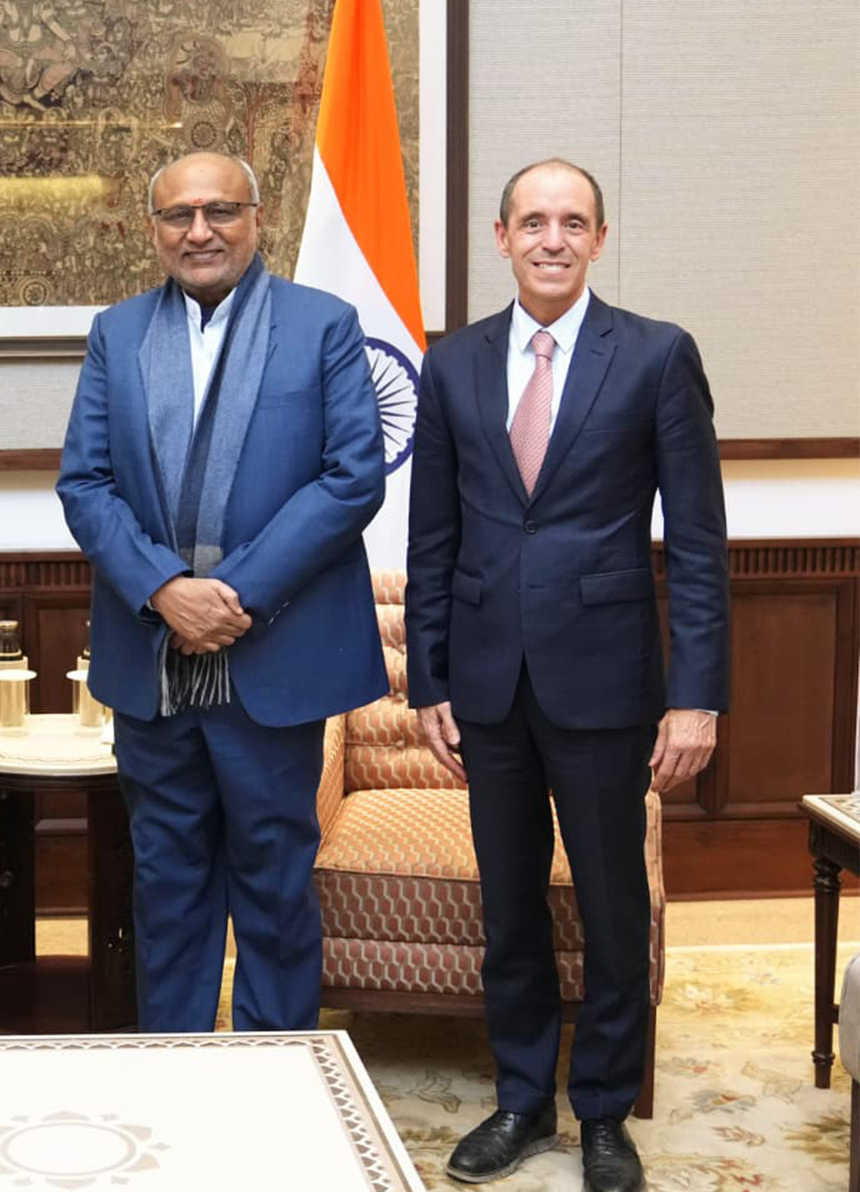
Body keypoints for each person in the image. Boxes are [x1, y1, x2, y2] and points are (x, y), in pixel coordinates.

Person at [405, 159, 729, 1192]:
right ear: (501, 237)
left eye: (573, 222)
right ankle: (519, 1099)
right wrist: (428, 681)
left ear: (598, 238)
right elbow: (431, 538)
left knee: (611, 905)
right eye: (534, 222)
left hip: (605, 681)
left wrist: (696, 696)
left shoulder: (656, 355)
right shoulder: (451, 363)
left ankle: (602, 1113)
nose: (553, 239)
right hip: (486, 684)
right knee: (508, 905)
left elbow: (698, 542)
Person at [56, 151, 388, 1034]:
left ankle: (275, 1070)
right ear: (153, 230)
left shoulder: (323, 326)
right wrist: (165, 589)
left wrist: (229, 593)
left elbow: (352, 477)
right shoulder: (118, 333)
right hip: (153, 661)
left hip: (273, 657)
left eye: (220, 211)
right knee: (166, 883)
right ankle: (176, 1068)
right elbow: (85, 485)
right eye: (179, 215)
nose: (199, 231)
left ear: (256, 218)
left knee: (275, 882)